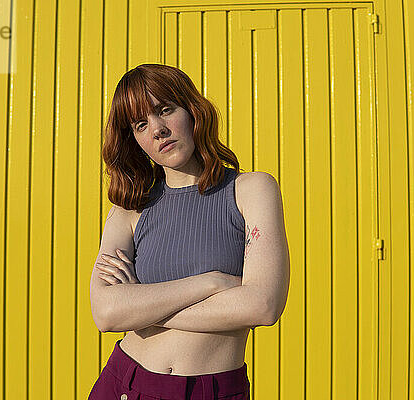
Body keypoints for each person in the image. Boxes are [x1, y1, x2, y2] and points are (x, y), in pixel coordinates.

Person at [88, 63, 290, 400]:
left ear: (193, 110)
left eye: (165, 110)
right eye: (141, 125)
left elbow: (263, 305)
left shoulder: (252, 190)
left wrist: (142, 306)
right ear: (134, 140)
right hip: (124, 384)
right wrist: (214, 282)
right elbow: (107, 313)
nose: (157, 130)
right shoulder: (128, 210)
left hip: (211, 391)